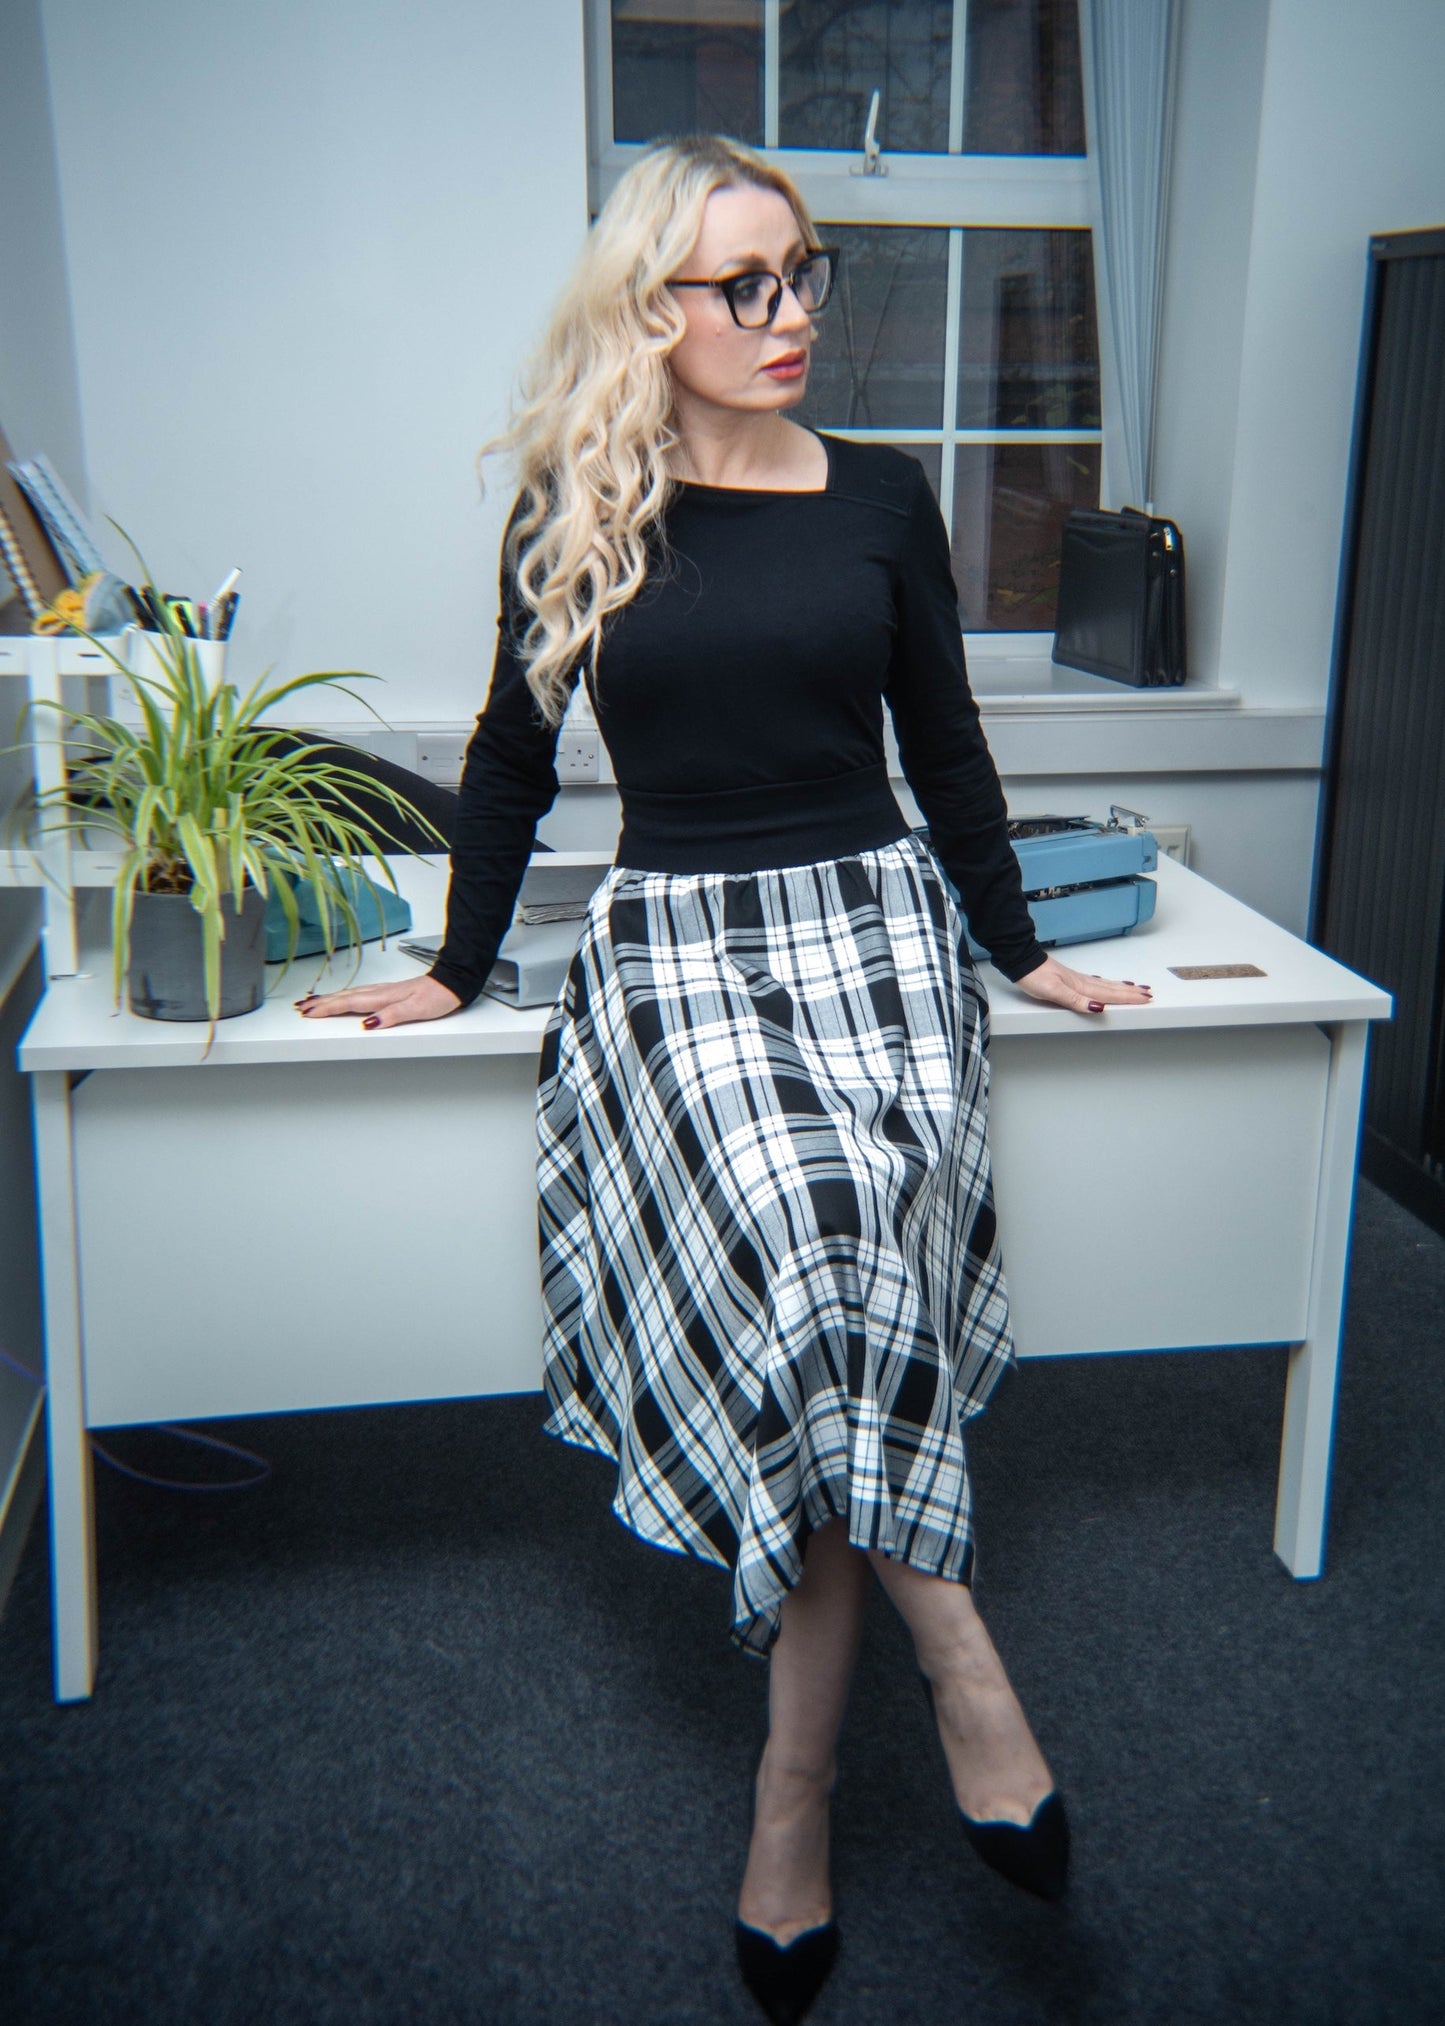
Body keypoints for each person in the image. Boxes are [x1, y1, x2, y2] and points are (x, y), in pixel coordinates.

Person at [298, 133, 1152, 2023]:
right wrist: (451, 966)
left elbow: (945, 749)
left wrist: (1019, 947)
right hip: (680, 940)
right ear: (646, 307)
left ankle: (787, 1804)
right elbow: (511, 761)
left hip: (872, 934)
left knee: (828, 1277)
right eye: (737, 286)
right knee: (806, 1223)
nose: (786, 320)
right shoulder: (571, 497)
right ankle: (962, 1671)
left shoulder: (881, 499)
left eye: (801, 275)